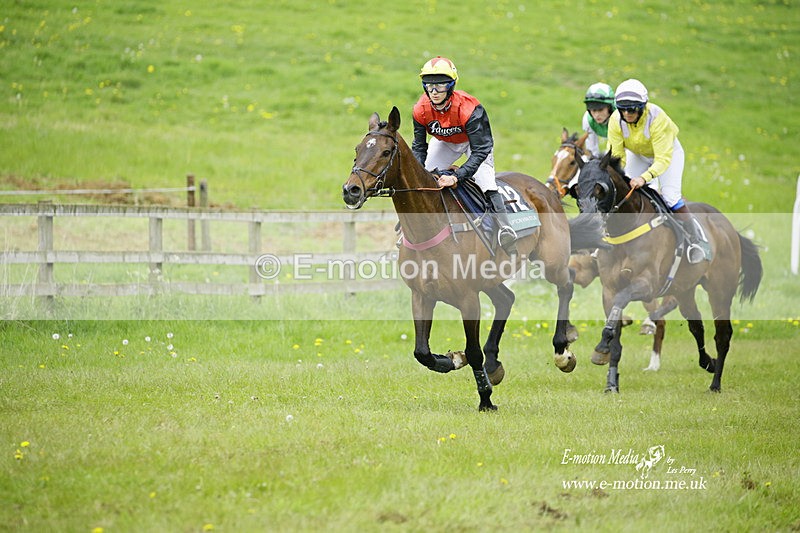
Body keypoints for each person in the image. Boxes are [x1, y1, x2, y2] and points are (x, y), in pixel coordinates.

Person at [411, 56, 517, 255]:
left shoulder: (470, 109)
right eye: (429, 86)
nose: (434, 92)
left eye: (440, 86)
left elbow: (480, 151)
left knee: (485, 180)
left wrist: (457, 176)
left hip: (474, 144)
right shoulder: (420, 109)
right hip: (444, 142)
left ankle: (505, 228)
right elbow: (419, 147)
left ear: (451, 86)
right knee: (423, 177)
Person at [607, 78, 709, 263]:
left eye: (633, 109)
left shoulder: (656, 118)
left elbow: (662, 160)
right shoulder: (615, 120)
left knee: (670, 196)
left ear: (642, 106)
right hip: (638, 154)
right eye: (623, 109)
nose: (628, 113)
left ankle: (697, 241)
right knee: (625, 193)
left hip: (668, 155)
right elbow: (616, 155)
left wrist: (644, 178)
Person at [582, 82, 616, 158]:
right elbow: (592, 150)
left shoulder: (620, 117)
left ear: (610, 108)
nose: (597, 115)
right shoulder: (588, 119)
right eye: (593, 110)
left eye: (600, 110)